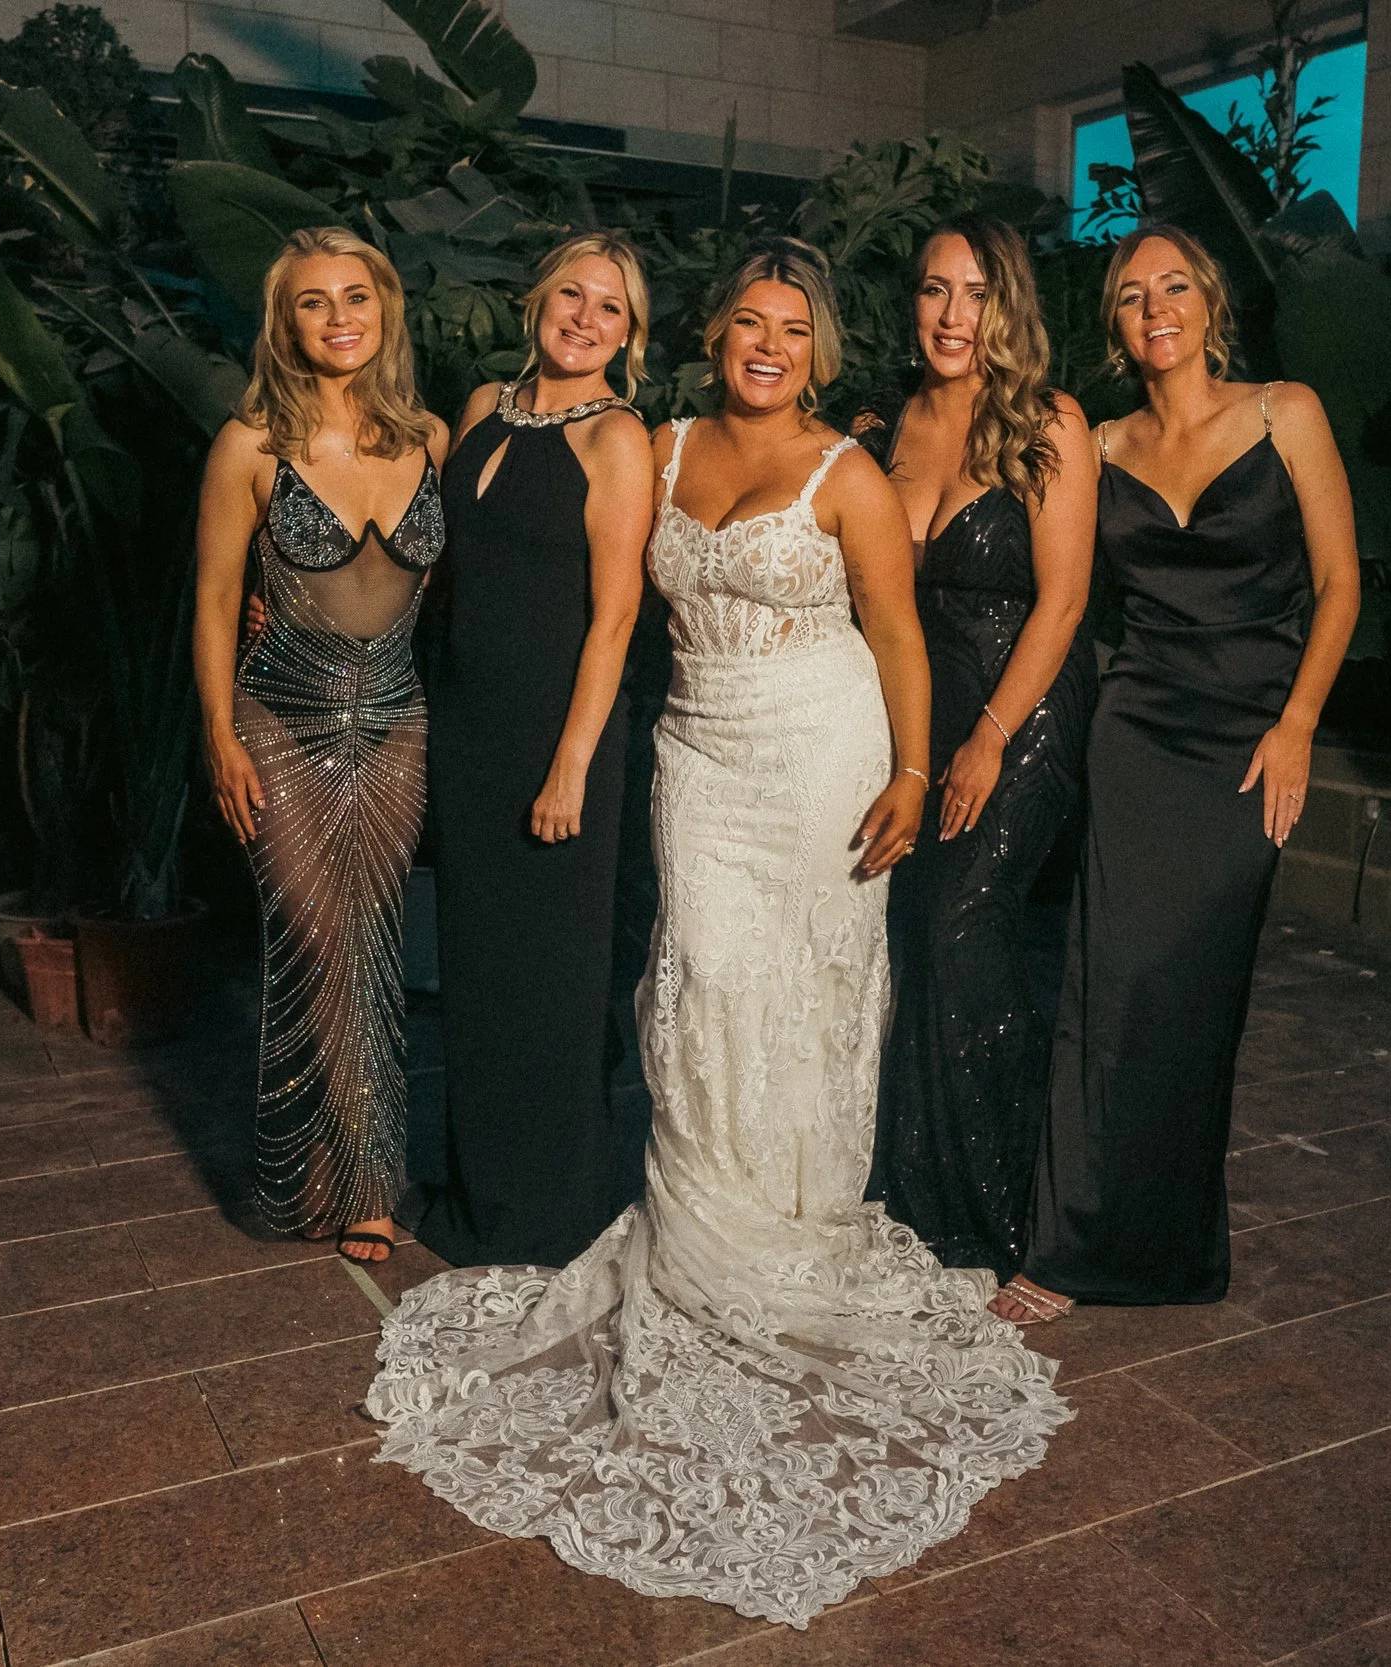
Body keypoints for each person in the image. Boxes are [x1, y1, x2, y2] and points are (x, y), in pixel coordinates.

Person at [366, 237, 1068, 1628]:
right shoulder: (662, 442)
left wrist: (913, 772)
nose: (768, 344)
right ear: (712, 335)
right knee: (702, 980)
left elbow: (899, 635)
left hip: (820, 749)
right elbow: (591, 592)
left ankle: (790, 1226)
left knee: (800, 987)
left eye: (793, 329)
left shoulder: (847, 474)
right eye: (749, 321)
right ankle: (699, 1220)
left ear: (820, 350)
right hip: (697, 751)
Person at [991, 224, 1361, 1326]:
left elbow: (1341, 584)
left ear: (1209, 303)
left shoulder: (1285, 413)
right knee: (1104, 987)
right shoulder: (1099, 443)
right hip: (1138, 732)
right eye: (1131, 294)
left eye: (1174, 287)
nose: (1155, 308)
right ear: (1115, 324)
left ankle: (1168, 1248)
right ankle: (1069, 1242)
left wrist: (1298, 724)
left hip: (1250, 740)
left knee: (1197, 992)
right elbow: (1046, 567)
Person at [192, 226, 448, 1263]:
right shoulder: (249, 446)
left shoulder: (432, 436)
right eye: (313, 301)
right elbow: (215, 600)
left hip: (395, 723)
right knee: (315, 936)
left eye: (356, 296)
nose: (339, 317)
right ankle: (366, 1176)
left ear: (385, 310)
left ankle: (333, 1169)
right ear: (284, 322)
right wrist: (220, 734)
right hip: (278, 721)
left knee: (373, 937)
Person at [407, 232, 655, 1269]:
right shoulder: (479, 408)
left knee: (552, 984)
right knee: (477, 971)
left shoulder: (618, 439)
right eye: (571, 294)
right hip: (468, 725)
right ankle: (480, 1193)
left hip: (560, 734)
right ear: (537, 302)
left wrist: (571, 764)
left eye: (610, 307)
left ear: (629, 335)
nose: (584, 318)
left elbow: (616, 615)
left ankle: (548, 1213)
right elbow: (441, 572)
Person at [861, 215, 1095, 1280]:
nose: (953, 316)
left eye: (976, 292)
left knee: (963, 928)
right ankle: (910, 1200)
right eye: (934, 291)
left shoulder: (1051, 423)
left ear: (1009, 305)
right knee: (910, 938)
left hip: (1023, 711)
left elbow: (1064, 601)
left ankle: (1004, 1214)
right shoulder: (885, 425)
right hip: (917, 716)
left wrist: (992, 738)